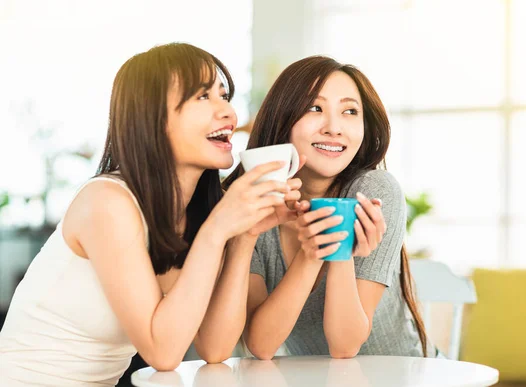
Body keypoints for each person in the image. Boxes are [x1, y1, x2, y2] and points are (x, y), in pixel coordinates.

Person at [0, 43, 302, 386]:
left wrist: (245, 235)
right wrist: (218, 230)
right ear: (153, 118)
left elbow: (215, 346)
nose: (229, 115)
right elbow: (163, 351)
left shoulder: (194, 211)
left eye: (224, 96)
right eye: (203, 97)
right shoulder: (107, 202)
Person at [223, 56, 435, 360]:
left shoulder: (373, 192)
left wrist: (339, 251)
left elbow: (345, 345)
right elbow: (260, 344)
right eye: (315, 108)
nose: (334, 128)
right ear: (281, 119)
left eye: (350, 111)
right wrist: (310, 256)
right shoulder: (256, 206)